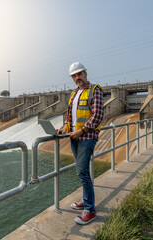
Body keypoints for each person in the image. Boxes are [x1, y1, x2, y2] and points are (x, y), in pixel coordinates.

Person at [57, 62, 104, 225]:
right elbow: (70, 116)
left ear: (85, 73)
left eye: (80, 74)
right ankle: (86, 200)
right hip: (74, 137)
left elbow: (97, 115)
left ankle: (90, 210)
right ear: (72, 78)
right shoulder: (73, 94)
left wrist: (82, 131)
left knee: (82, 172)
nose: (78, 78)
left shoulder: (95, 90)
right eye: (74, 76)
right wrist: (64, 127)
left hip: (86, 138)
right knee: (81, 171)